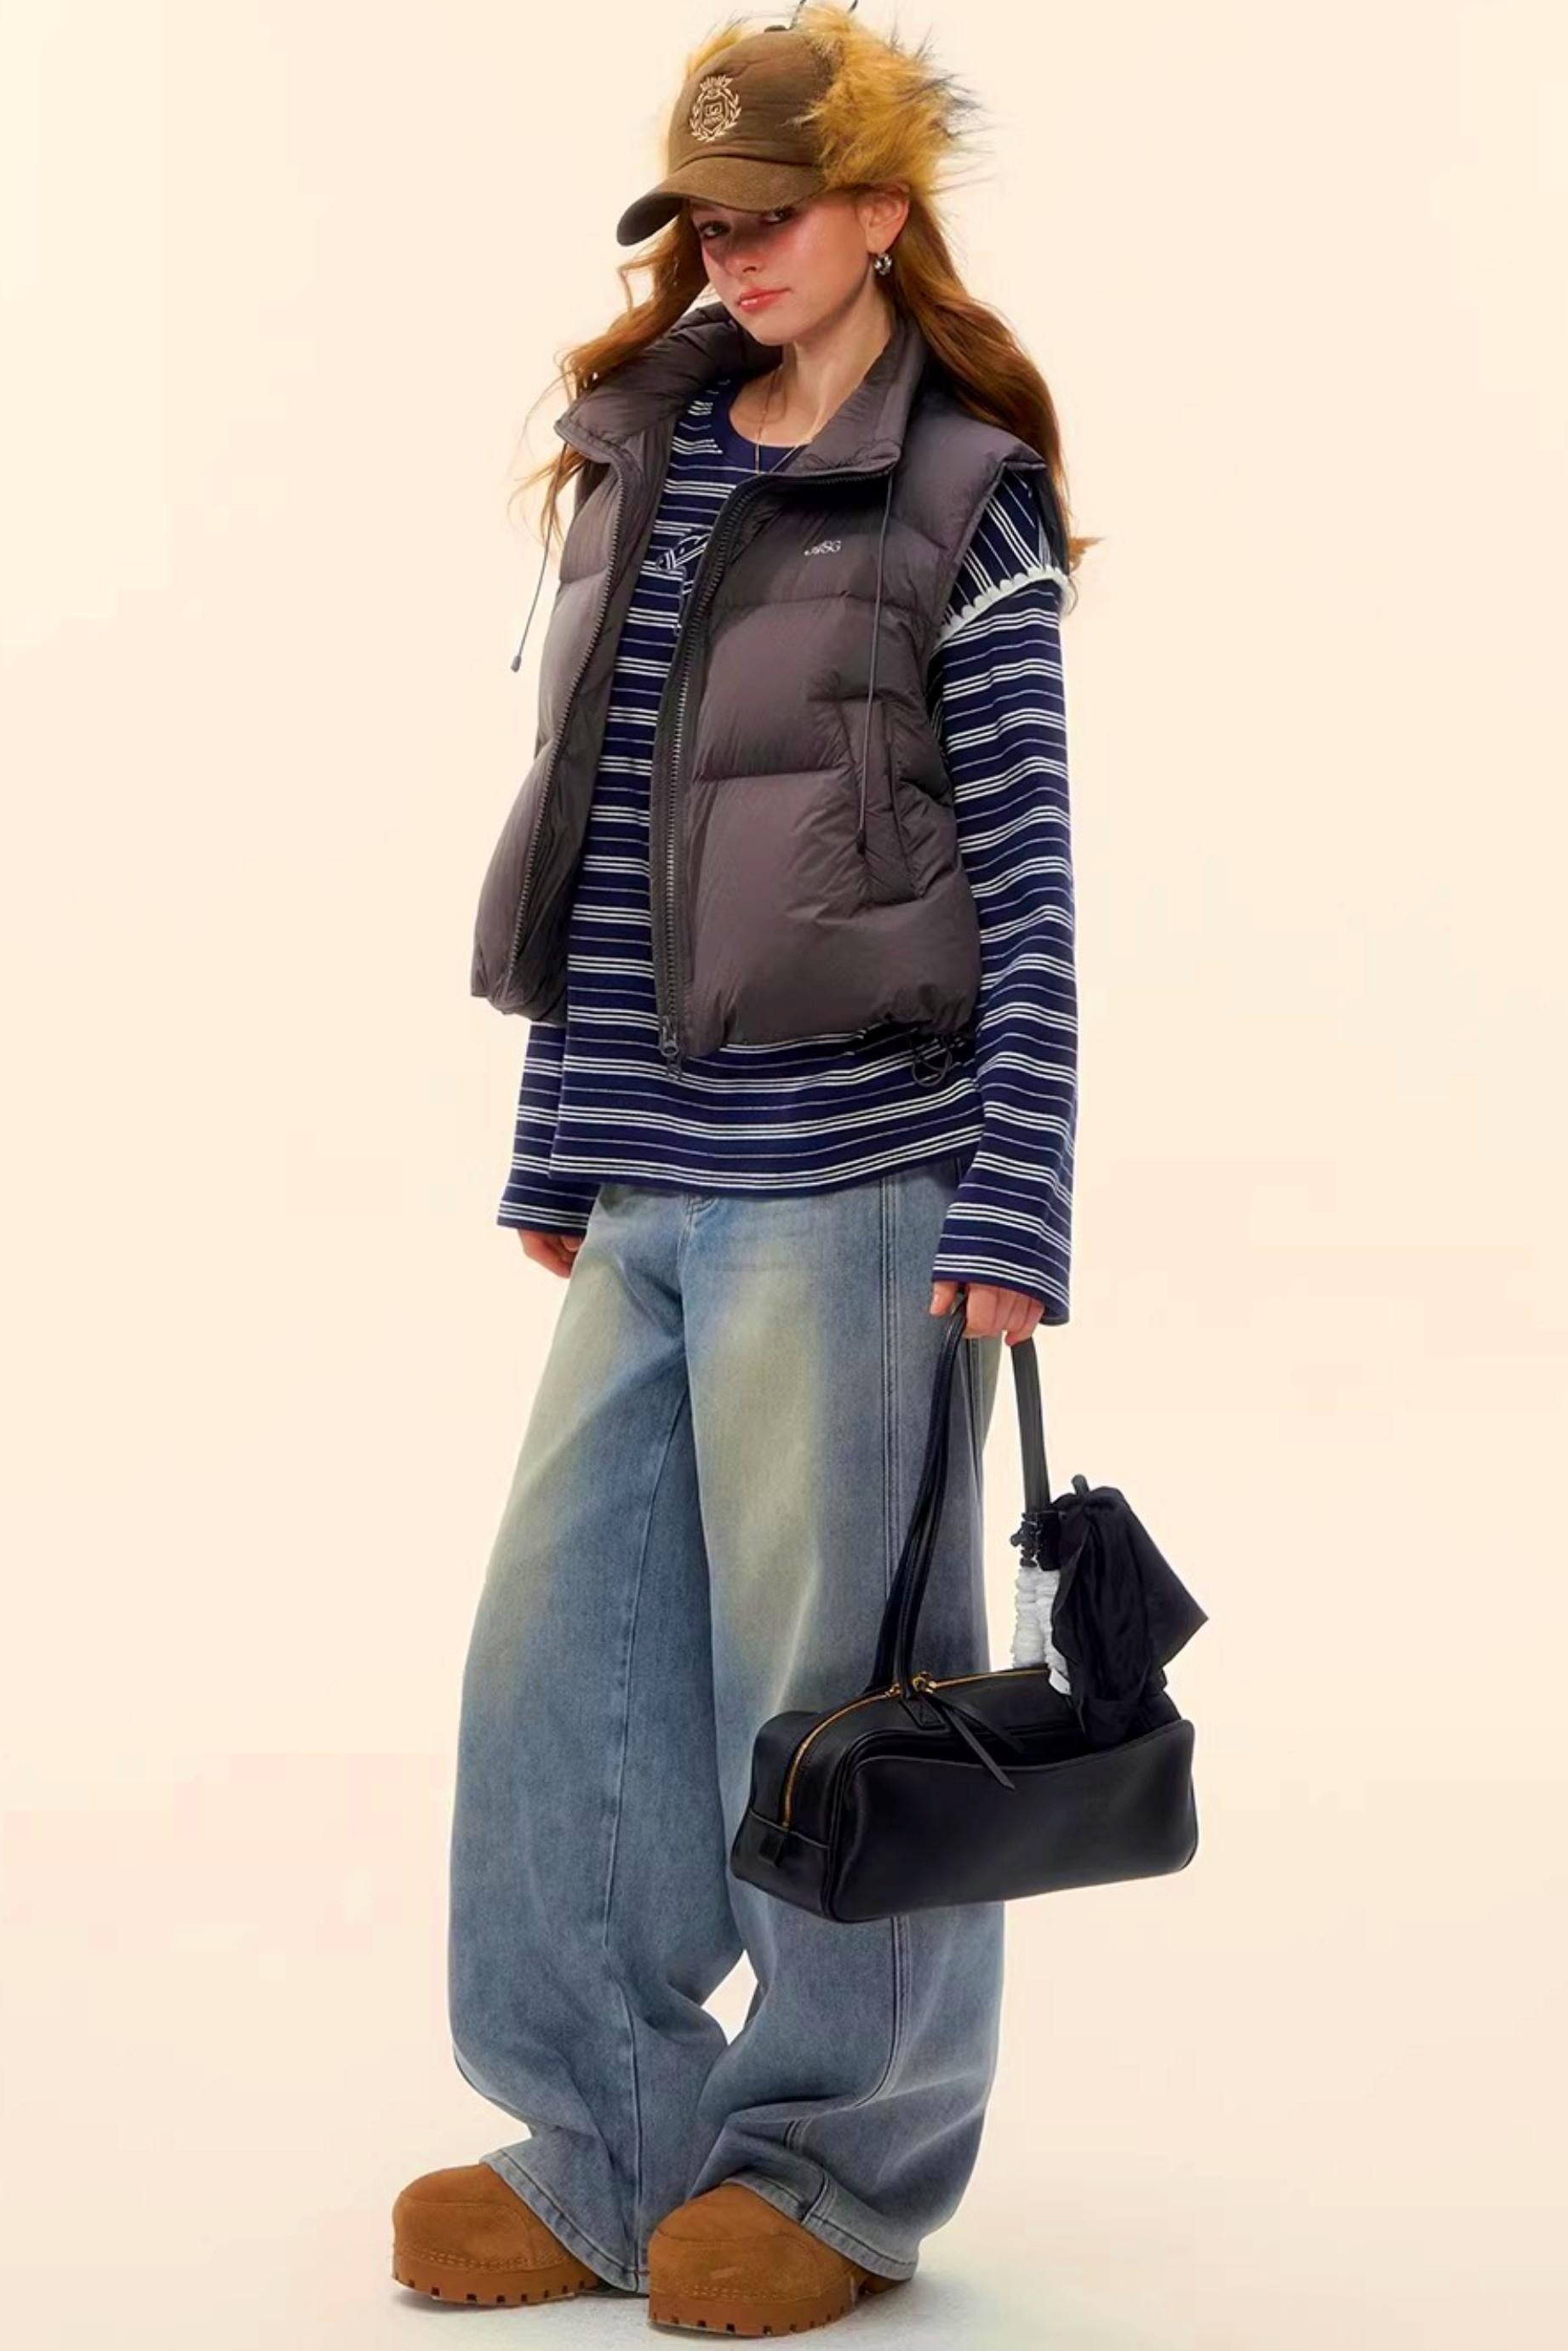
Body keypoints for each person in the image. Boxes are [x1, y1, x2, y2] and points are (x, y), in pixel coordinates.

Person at [392, 5, 1086, 2334]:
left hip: (861, 1175)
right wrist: (556, 1130)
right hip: (650, 1175)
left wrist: (1017, 1197)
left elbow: (1031, 877)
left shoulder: (958, 488)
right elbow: (593, 832)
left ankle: (836, 2160)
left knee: (837, 1699)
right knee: (561, 1666)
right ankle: (603, 2134)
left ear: (881, 209)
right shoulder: (647, 456)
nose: (735, 253)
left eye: (774, 214)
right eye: (704, 219)